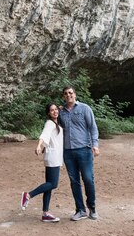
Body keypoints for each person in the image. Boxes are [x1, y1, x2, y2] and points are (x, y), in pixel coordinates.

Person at [59, 85, 100, 221]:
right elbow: (57, 128)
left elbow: (93, 127)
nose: (68, 95)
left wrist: (95, 145)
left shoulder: (85, 108)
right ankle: (80, 210)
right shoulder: (62, 112)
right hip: (68, 152)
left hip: (84, 149)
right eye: (65, 94)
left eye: (70, 93)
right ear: (64, 96)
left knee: (88, 179)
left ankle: (92, 208)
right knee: (74, 181)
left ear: (75, 94)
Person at [20, 103, 63, 222]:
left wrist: (60, 108)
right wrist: (39, 145)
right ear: (48, 113)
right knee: (53, 184)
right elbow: (44, 135)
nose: (55, 112)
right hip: (53, 157)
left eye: (56, 110)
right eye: (52, 110)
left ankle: (46, 213)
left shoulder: (56, 122)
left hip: (54, 156)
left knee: (48, 185)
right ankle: (28, 195)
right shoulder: (50, 123)